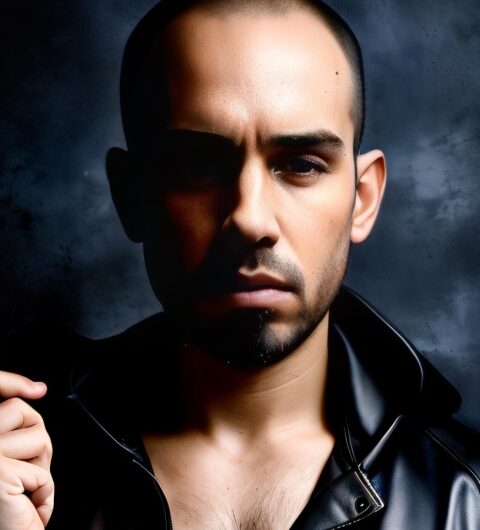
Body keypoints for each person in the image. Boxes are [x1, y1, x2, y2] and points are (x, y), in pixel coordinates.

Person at [1, 0, 479, 528]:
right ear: (131, 197)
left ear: (362, 199)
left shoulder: (466, 500)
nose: (250, 220)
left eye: (302, 165)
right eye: (197, 166)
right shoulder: (19, 451)